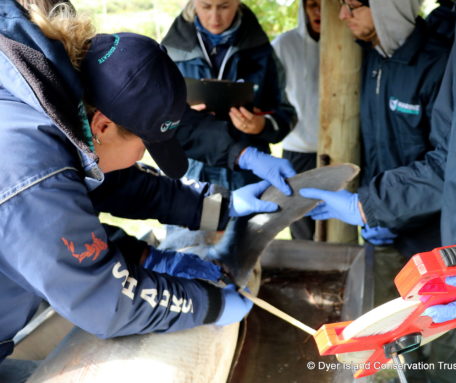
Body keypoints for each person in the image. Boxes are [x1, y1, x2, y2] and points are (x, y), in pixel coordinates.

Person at [0, 0, 283, 378]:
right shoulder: (33, 168)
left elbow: (119, 183)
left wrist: (217, 206)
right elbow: (106, 302)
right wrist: (209, 303)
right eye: (144, 146)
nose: (140, 158)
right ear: (102, 126)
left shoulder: (52, 107)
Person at [299, 0, 456, 381]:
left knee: (442, 358)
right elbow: (451, 158)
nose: (341, 17)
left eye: (352, 6)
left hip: (440, 246)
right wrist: (368, 206)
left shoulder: (433, 59)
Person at [161, 0, 297, 191]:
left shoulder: (262, 52)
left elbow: (287, 115)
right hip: (191, 173)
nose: (215, 17)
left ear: (237, 3)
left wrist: (261, 125)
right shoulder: (171, 52)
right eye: (206, 7)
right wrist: (184, 115)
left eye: (224, 7)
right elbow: (156, 120)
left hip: (248, 176)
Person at [271, 0, 320, 240]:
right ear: (303, 8)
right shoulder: (284, 45)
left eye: (324, 5)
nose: (319, 12)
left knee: (338, 221)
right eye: (312, 5)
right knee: (301, 222)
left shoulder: (355, 44)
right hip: (298, 150)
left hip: (346, 147)